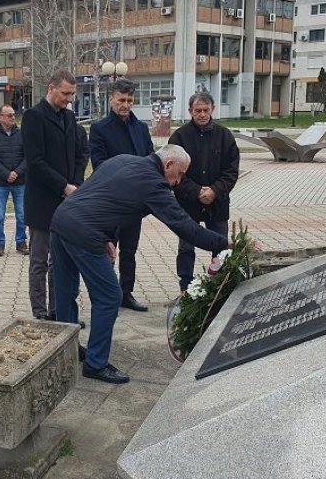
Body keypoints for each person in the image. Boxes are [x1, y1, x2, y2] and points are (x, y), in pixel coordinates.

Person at [50, 145, 228, 383]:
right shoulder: (154, 184)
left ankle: (66, 350)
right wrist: (224, 243)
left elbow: (103, 199)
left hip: (61, 219)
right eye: (180, 174)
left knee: (65, 291)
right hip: (84, 232)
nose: (178, 181)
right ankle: (95, 363)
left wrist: (107, 237)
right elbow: (184, 226)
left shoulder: (123, 159)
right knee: (109, 297)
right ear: (168, 165)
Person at [21, 69, 87, 320]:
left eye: (72, 94)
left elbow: (78, 155)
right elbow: (35, 162)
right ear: (51, 88)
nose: (69, 99)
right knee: (39, 261)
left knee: (60, 262)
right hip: (42, 201)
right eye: (65, 93)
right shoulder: (33, 117)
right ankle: (40, 313)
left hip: (68, 200)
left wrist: (75, 184)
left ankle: (59, 311)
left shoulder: (69, 117)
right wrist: (63, 186)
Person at [89, 78, 154, 312]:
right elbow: (99, 164)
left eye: (129, 100)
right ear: (111, 99)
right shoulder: (100, 129)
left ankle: (126, 292)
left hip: (135, 203)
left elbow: (150, 159)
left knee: (129, 251)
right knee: (107, 250)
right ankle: (105, 294)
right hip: (111, 202)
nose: (125, 105)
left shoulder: (141, 128)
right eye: (121, 100)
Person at [169, 93, 240, 292]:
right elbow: (173, 172)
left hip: (217, 202)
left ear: (212, 110)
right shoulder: (179, 137)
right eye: (197, 110)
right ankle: (185, 287)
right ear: (190, 111)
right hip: (188, 202)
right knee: (186, 247)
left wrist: (215, 191)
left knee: (221, 246)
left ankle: (219, 288)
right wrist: (197, 191)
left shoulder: (224, 136)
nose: (201, 114)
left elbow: (231, 170)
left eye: (205, 110)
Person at [0, 104, 28, 257]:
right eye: (9, 115)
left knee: (22, 214)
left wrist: (17, 172)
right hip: (1, 183)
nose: (13, 117)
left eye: (13, 114)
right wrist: (6, 174)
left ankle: (21, 242)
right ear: (0, 117)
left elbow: (28, 156)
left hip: (20, 182)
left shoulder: (21, 133)